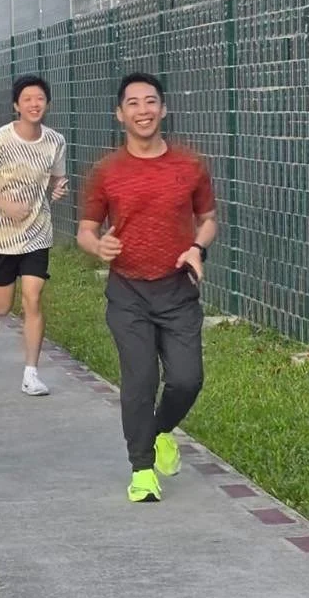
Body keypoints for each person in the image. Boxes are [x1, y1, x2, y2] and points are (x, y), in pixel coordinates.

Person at [77, 72, 217, 504]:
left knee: (186, 380)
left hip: (177, 289)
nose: (143, 110)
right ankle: (141, 470)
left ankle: (159, 432)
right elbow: (85, 229)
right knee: (140, 379)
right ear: (120, 114)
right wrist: (98, 245)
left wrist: (197, 247)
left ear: (163, 108)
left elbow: (208, 218)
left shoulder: (189, 165)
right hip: (128, 292)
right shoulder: (107, 171)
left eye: (150, 101)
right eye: (133, 103)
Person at [0, 75, 68, 396]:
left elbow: (58, 178)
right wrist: (4, 205)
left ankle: (31, 372)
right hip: (1, 235)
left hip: (37, 233)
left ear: (48, 103)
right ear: (16, 105)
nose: (34, 104)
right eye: (27, 99)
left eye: (40, 98)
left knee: (33, 297)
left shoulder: (55, 141)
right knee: (3, 305)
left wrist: (58, 190)